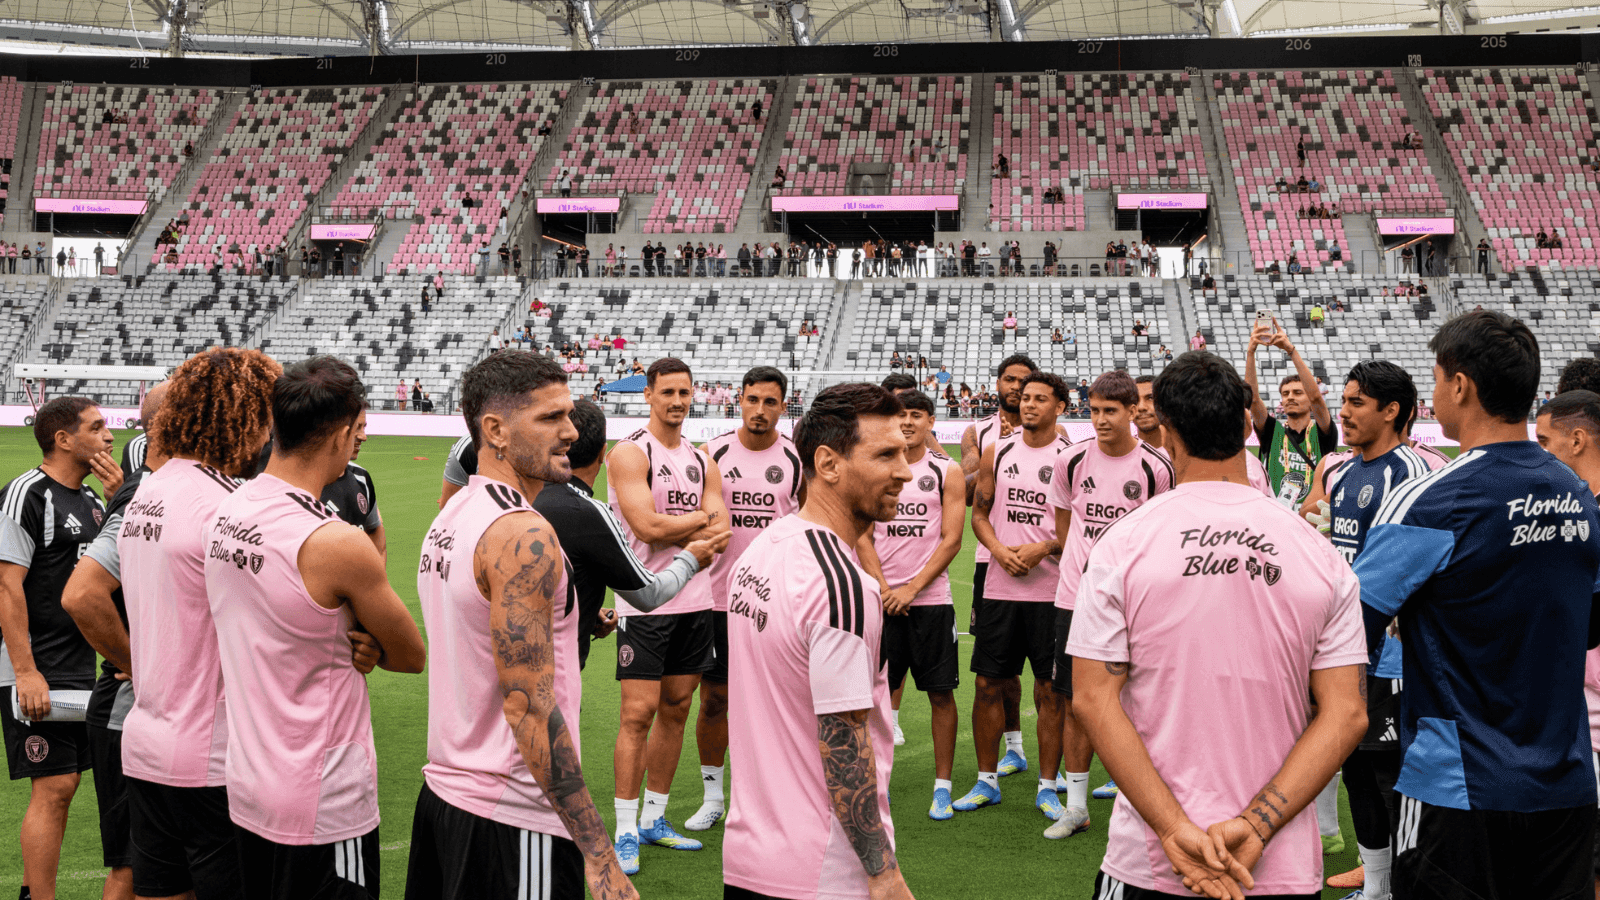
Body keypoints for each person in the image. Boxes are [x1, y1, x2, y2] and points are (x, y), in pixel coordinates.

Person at [1071, 350, 1368, 900]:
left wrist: (1172, 829)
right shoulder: (1319, 553)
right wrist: (1257, 824)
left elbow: (1093, 699)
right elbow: (1346, 712)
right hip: (1276, 861)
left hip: (1152, 860)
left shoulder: (1122, 545)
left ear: (1166, 434)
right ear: (1245, 427)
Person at [1353, 311, 1600, 900]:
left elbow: (1348, 631)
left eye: (1437, 377)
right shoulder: (1579, 494)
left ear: (1459, 385)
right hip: (1566, 783)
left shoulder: (1430, 499)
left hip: (1457, 786)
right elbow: (1590, 626)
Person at [408, 354, 638, 900]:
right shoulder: (522, 534)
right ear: (496, 431)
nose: (571, 432)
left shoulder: (454, 513)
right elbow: (528, 706)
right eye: (550, 417)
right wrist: (599, 854)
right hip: (512, 815)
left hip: (446, 796)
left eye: (569, 415)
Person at [205, 357, 426, 900]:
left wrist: (361, 641)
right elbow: (410, 654)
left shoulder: (227, 508)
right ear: (341, 434)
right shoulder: (334, 540)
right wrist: (373, 645)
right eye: (358, 430)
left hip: (249, 780)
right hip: (322, 796)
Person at [96, 350, 277, 900]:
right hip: (212, 753)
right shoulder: (228, 505)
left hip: (148, 740)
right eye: (266, 417)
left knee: (160, 891)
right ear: (244, 417)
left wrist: (137, 663)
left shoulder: (146, 492)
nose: (269, 433)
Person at [721, 383, 914, 900]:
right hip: (822, 872)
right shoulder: (842, 586)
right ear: (828, 463)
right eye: (886, 455)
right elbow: (844, 742)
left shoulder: (761, 550)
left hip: (748, 858)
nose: (905, 471)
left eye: (905, 452)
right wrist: (883, 873)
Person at [1303, 361, 1428, 898]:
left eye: (1356, 403)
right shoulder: (1341, 471)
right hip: (1344, 650)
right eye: (1345, 401)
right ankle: (1376, 887)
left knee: (1387, 777)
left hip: (1392, 659)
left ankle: (1401, 886)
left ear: (1391, 410)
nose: (1344, 413)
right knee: (1353, 768)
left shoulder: (1412, 474)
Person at [606, 358, 731, 874]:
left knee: (677, 707)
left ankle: (655, 818)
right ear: (649, 395)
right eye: (668, 392)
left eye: (684, 392)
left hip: (697, 601)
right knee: (638, 714)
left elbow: (721, 533)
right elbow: (647, 527)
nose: (677, 401)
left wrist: (692, 524)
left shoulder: (703, 459)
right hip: (646, 601)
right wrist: (700, 520)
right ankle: (624, 829)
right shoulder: (631, 452)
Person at [1, 398, 119, 900]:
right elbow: (6, 587)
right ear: (63, 439)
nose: (109, 436)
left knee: (66, 786)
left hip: (79, 666)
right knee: (54, 786)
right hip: (34, 666)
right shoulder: (26, 494)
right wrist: (25, 671)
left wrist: (117, 499)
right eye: (97, 427)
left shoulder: (92, 499)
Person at [61, 384, 170, 900]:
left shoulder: (154, 492)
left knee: (170, 868)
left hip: (166, 711)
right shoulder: (143, 496)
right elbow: (82, 596)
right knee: (133, 867)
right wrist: (141, 666)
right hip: (128, 704)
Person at [690, 367, 803, 831]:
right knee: (715, 699)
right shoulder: (711, 453)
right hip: (717, 599)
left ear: (783, 406)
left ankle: (766, 796)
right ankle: (713, 796)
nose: (760, 410)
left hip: (775, 602)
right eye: (752, 400)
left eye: (770, 402)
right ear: (739, 400)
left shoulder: (797, 458)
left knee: (775, 703)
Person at [955, 372, 1071, 816]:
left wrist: (1046, 547)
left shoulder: (1070, 458)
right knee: (987, 684)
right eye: (1025, 398)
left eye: (1040, 398)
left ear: (1060, 407)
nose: (1029, 404)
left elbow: (1079, 527)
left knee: (1050, 690)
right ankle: (986, 781)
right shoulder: (997, 451)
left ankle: (1048, 786)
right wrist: (999, 551)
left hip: (1051, 592)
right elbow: (979, 515)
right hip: (1000, 587)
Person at [856, 389, 964, 819]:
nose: (907, 423)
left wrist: (912, 589)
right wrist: (885, 588)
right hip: (881, 601)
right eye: (900, 415)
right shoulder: (875, 467)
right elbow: (863, 534)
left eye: (916, 415)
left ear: (931, 422)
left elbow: (951, 539)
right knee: (873, 697)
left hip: (931, 602)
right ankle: (874, 784)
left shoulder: (946, 470)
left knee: (941, 695)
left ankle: (942, 788)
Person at [1246, 316, 1337, 508]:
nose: (1290, 397)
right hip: (1276, 515)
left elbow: (1317, 399)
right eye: (1285, 394)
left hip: (1311, 516)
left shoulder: (1322, 432)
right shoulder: (1273, 431)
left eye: (1297, 392)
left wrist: (1291, 351)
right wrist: (1251, 352)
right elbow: (1252, 400)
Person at [320, 409, 386, 558]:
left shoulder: (361, 477)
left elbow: (374, 530)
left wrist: (377, 570)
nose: (364, 437)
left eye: (364, 427)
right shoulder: (303, 483)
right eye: (357, 427)